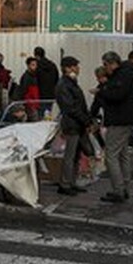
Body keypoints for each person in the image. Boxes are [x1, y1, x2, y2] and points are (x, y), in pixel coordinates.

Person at [96, 50, 133, 202]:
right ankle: (124, 188)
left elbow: (117, 95)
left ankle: (118, 190)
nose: (105, 68)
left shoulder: (122, 75)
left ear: (112, 63)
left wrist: (102, 90)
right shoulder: (126, 73)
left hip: (119, 120)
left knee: (111, 155)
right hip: (125, 119)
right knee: (123, 155)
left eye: (106, 65)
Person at [55, 56, 92, 195]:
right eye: (75, 66)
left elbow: (80, 104)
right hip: (72, 124)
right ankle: (64, 184)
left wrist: (87, 120)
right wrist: (85, 120)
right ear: (67, 68)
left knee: (76, 155)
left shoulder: (71, 83)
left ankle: (72, 182)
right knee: (70, 156)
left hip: (78, 124)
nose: (78, 68)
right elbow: (70, 108)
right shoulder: (63, 85)